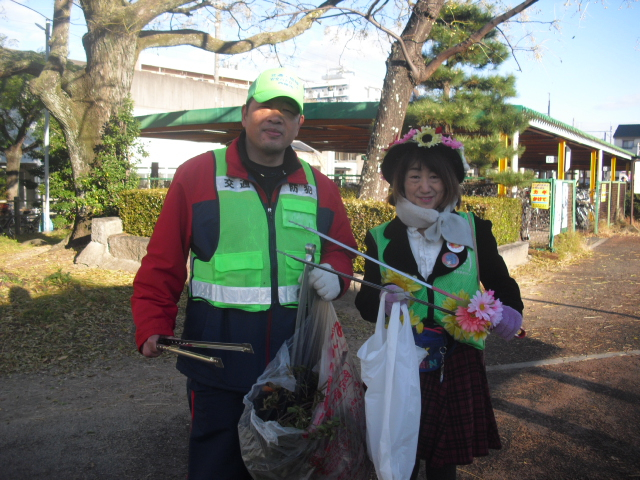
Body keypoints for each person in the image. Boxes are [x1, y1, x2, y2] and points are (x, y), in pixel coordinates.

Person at [131, 67, 357, 480]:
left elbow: (343, 252)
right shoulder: (197, 175)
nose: (276, 117)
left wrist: (337, 275)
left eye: (288, 111)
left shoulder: (321, 186)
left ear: (298, 124)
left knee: (289, 465)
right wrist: (151, 322)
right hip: (217, 360)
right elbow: (162, 261)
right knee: (218, 466)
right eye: (267, 106)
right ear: (245, 112)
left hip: (296, 362)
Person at [354, 127, 524, 480]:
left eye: (434, 176)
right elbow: (366, 302)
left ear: (449, 182)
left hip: (457, 358)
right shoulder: (380, 237)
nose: (425, 186)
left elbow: (500, 282)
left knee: (444, 460)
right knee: (402, 452)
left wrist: (509, 311)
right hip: (402, 359)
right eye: (414, 176)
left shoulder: (475, 229)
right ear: (400, 182)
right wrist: (385, 301)